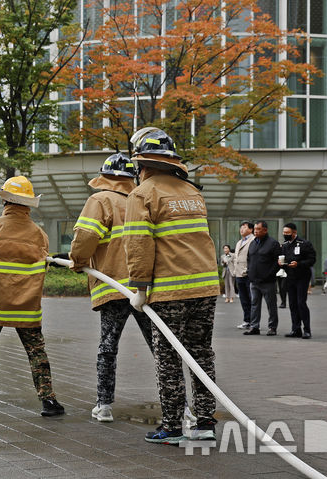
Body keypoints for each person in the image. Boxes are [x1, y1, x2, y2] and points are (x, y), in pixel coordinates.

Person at [123, 127, 219, 444]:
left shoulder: (142, 194)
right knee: (201, 355)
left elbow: (138, 245)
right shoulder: (193, 193)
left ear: (142, 164)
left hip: (170, 293)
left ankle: (172, 427)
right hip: (205, 289)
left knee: (169, 359)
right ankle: (205, 422)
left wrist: (139, 289)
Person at [52, 154, 153, 423]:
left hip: (113, 286)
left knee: (108, 347)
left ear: (105, 176)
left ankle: (104, 405)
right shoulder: (140, 200)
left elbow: (85, 236)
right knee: (160, 347)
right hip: (143, 286)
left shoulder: (99, 200)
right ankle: (180, 404)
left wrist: (78, 261)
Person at [0, 176, 65, 417]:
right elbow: (43, 266)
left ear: (5, 201)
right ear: (28, 204)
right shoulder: (39, 233)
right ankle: (48, 401)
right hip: (26, 306)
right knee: (36, 352)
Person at [244, 221, 281, 336]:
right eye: (255, 229)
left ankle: (272, 327)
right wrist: (250, 273)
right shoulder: (253, 243)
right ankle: (254, 327)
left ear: (265, 230)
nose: (255, 231)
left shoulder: (273, 243)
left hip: (268, 282)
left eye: (258, 229)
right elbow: (249, 259)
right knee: (254, 305)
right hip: (254, 281)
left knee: (271, 305)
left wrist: (269, 275)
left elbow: (277, 262)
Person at [279, 223, 316, 339]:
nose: (285, 235)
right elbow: (284, 261)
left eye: (287, 233)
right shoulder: (284, 245)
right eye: (284, 233)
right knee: (292, 304)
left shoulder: (304, 244)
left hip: (302, 277)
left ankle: (307, 330)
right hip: (290, 277)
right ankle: (296, 329)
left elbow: (312, 259)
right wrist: (282, 264)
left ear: (294, 233)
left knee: (301, 303)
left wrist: (299, 264)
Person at [232, 222, 254, 328]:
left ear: (251, 229)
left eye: (244, 227)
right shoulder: (239, 242)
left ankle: (254, 322)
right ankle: (246, 320)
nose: (241, 229)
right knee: (244, 299)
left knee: (251, 299)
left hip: (248, 275)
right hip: (239, 275)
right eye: (241, 227)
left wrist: (248, 270)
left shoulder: (253, 240)